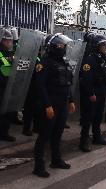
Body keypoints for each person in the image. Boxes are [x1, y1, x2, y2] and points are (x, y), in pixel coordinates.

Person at [33, 34, 76, 178]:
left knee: (58, 133)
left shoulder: (63, 62)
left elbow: (67, 83)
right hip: (50, 103)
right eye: (61, 45)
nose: (63, 48)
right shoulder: (44, 62)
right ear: (53, 46)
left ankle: (56, 160)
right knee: (44, 135)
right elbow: (40, 86)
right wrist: (47, 105)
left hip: (62, 103)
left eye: (64, 45)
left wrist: (70, 100)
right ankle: (38, 166)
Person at [79, 34, 106, 153]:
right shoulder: (90, 59)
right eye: (103, 45)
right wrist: (91, 93)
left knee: (98, 117)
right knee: (88, 118)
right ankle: (84, 141)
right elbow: (86, 79)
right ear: (97, 46)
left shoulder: (103, 57)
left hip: (102, 92)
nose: (105, 47)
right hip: (93, 93)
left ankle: (97, 137)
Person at [0, 28, 16, 142]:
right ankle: (3, 133)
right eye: (9, 41)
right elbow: (5, 69)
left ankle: (4, 132)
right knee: (3, 111)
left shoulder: (8, 52)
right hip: (2, 85)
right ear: (3, 40)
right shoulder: (2, 52)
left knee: (6, 110)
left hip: (7, 85)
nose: (10, 43)